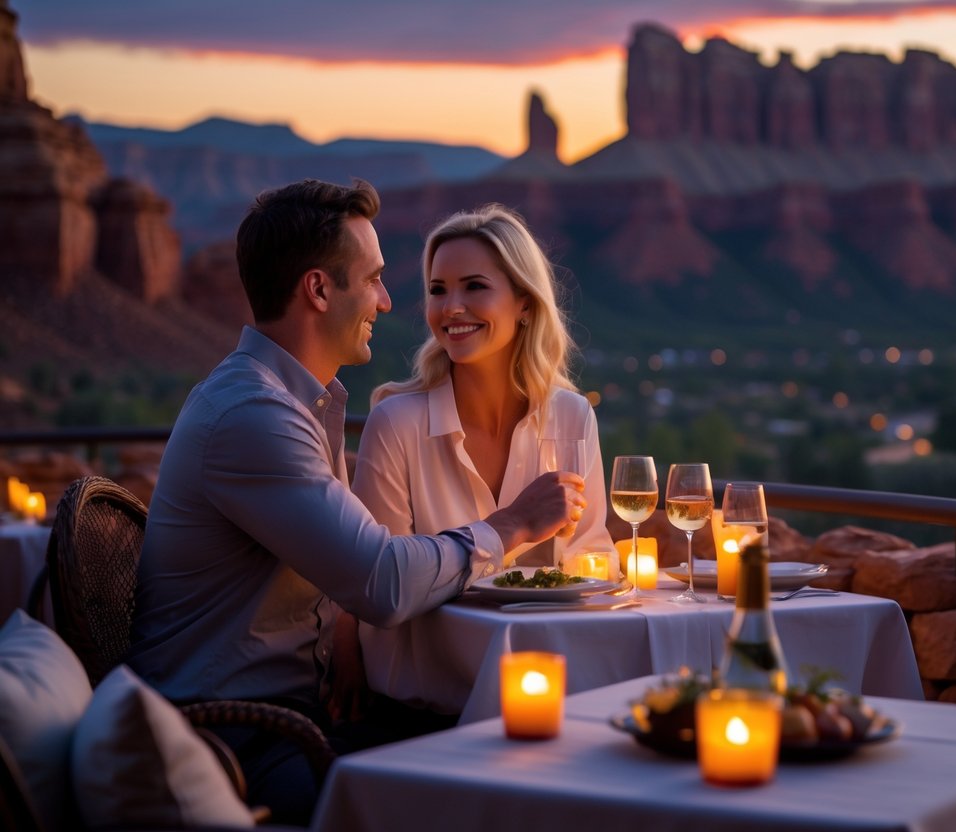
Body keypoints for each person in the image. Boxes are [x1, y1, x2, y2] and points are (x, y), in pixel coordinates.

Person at [126, 180, 583, 825]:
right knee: (501, 791)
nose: (386, 300)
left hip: (290, 716)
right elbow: (381, 580)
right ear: (318, 290)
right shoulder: (255, 416)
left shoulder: (293, 403)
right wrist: (511, 524)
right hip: (239, 739)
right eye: (372, 279)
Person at [350, 204, 614, 698]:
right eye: (437, 290)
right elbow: (379, 580)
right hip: (423, 701)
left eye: (474, 286)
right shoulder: (396, 424)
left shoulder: (572, 417)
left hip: (545, 690)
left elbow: (591, 559)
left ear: (525, 304)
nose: (451, 307)